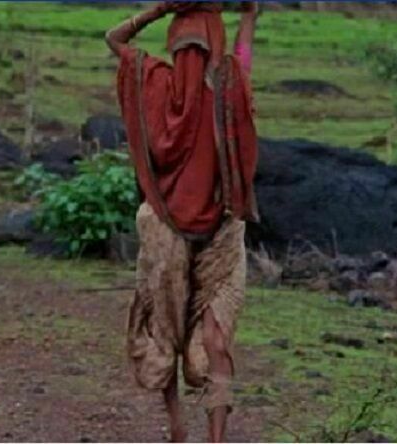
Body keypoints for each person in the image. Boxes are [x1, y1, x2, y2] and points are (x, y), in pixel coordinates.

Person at [106, 2, 259, 442]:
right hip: (166, 226)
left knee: (215, 339)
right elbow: (114, 39)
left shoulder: (228, 87)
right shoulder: (157, 84)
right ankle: (177, 428)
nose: (192, 59)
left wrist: (248, 16)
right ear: (174, 50)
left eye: (200, 49)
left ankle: (216, 438)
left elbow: (244, 55)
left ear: (214, 48)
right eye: (184, 51)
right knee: (165, 330)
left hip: (220, 230)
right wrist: (159, 10)